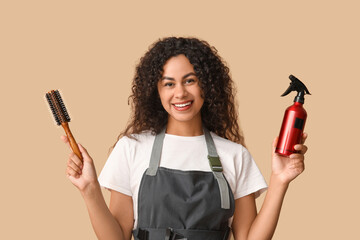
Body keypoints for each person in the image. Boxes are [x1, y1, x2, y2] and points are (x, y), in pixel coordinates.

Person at [62, 37, 308, 240]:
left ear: (207, 86)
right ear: (155, 91)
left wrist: (279, 180)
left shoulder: (234, 155)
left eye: (190, 80)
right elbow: (118, 237)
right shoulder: (132, 149)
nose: (180, 93)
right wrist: (90, 190)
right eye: (169, 84)